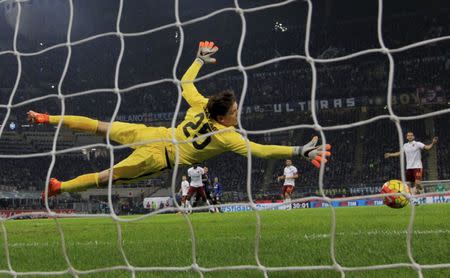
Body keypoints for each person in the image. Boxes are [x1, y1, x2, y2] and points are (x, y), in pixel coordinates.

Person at [28, 41, 331, 200]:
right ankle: (60, 187)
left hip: (150, 133)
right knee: (108, 177)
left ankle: (47, 117)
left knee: (99, 125)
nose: (238, 114)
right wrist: (298, 151)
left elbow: (185, 83)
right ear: (223, 116)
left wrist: (199, 59)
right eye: (235, 112)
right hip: (157, 157)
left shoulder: (201, 106)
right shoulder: (227, 137)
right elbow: (261, 151)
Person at [384, 131, 438, 205]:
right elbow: (399, 153)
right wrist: (390, 154)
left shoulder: (417, 144)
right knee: (411, 185)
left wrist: (433, 143)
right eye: (408, 135)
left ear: (413, 137)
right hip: (409, 168)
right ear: (406, 137)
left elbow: (427, 147)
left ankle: (418, 194)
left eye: (411, 135)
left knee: (417, 183)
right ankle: (414, 199)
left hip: (417, 166)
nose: (410, 136)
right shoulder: (405, 145)